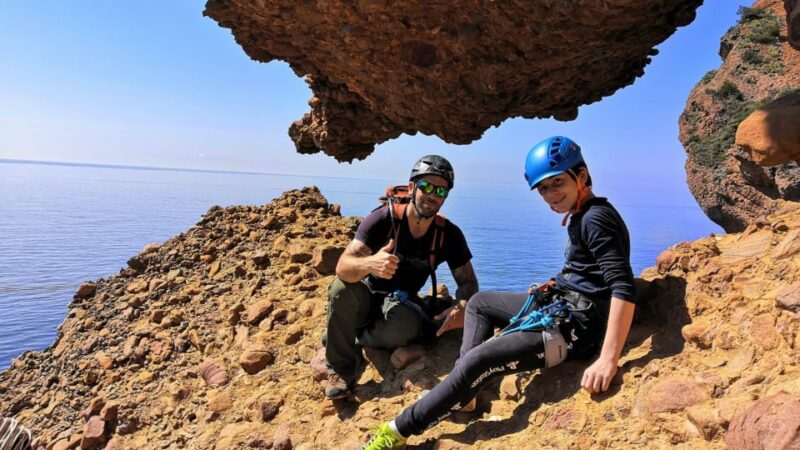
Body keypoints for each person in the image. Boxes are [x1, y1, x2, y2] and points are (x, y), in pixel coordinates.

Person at [360, 136, 637, 449]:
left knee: (479, 360)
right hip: (562, 304)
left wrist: (607, 359)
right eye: (543, 188)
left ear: (581, 176)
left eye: (557, 183)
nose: (550, 195)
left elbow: (623, 287)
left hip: (575, 327)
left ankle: (397, 431)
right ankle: (464, 395)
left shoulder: (596, 219)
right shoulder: (583, 214)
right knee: (478, 303)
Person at [324, 155, 480, 400]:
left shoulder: (448, 234)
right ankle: (341, 368)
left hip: (400, 306)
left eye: (441, 190)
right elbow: (343, 267)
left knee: (406, 325)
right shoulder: (383, 219)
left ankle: (348, 335)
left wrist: (462, 305)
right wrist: (370, 263)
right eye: (426, 186)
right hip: (366, 295)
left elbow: (468, 282)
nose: (432, 195)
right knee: (339, 289)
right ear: (411, 187)